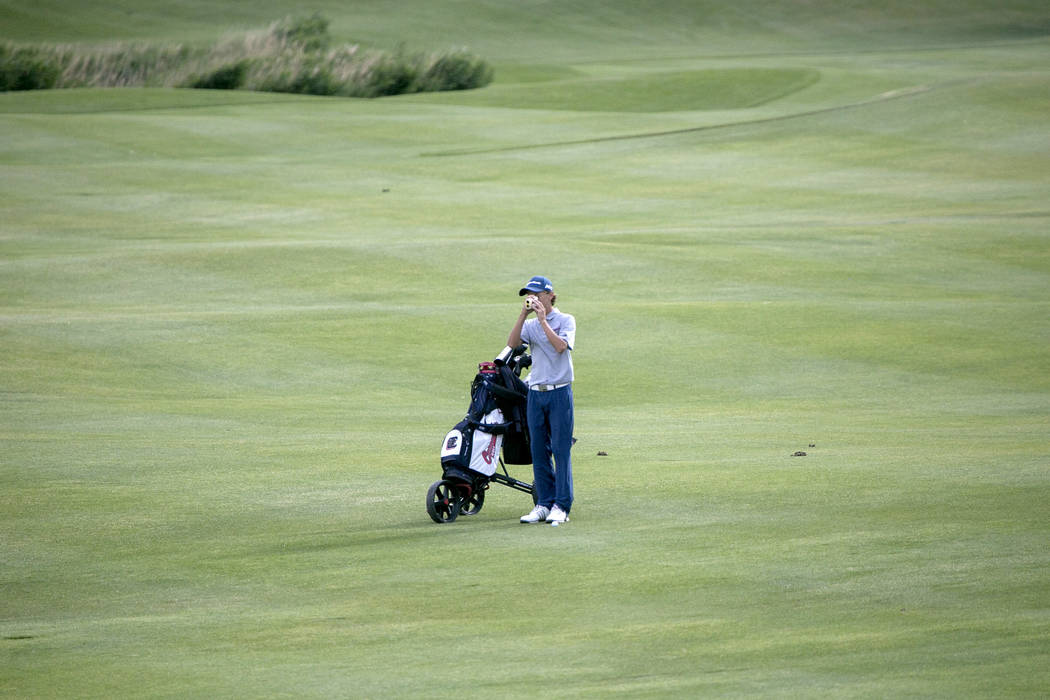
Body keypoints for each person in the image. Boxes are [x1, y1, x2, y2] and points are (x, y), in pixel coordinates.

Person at [508, 275, 576, 524]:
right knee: (538, 450)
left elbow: (560, 347)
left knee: (560, 449)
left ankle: (562, 505)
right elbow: (513, 344)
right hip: (536, 394)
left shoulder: (566, 320)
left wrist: (543, 321)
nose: (533, 298)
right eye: (529, 294)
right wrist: (522, 317)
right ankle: (544, 504)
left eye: (537, 294)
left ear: (550, 295)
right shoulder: (529, 324)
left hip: (559, 392)